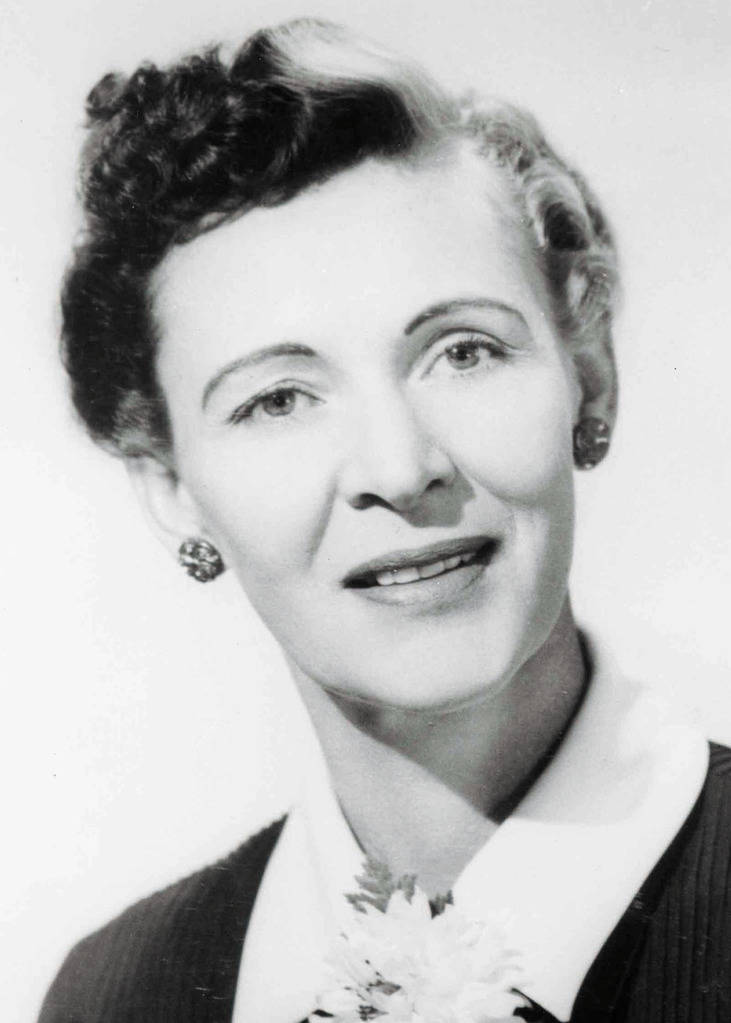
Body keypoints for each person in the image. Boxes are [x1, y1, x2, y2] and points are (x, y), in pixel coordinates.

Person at [39, 16, 730, 1023]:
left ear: (587, 374)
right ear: (170, 486)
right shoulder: (114, 996)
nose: (401, 470)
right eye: (277, 399)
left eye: (462, 351)